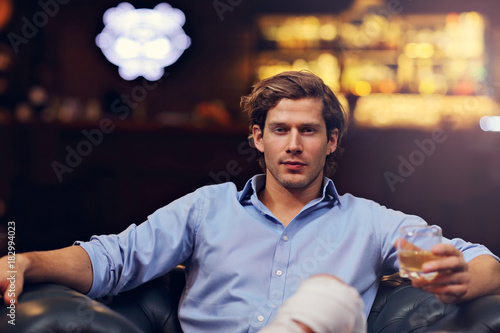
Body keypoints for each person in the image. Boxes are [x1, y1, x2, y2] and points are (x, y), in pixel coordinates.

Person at [1, 71, 500, 332]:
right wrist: (25, 259)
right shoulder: (205, 209)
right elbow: (114, 258)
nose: (294, 144)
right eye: (280, 130)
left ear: (332, 141)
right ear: (258, 138)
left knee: (332, 300)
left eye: (309, 131)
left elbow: (479, 264)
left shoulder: (370, 223)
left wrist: (454, 278)